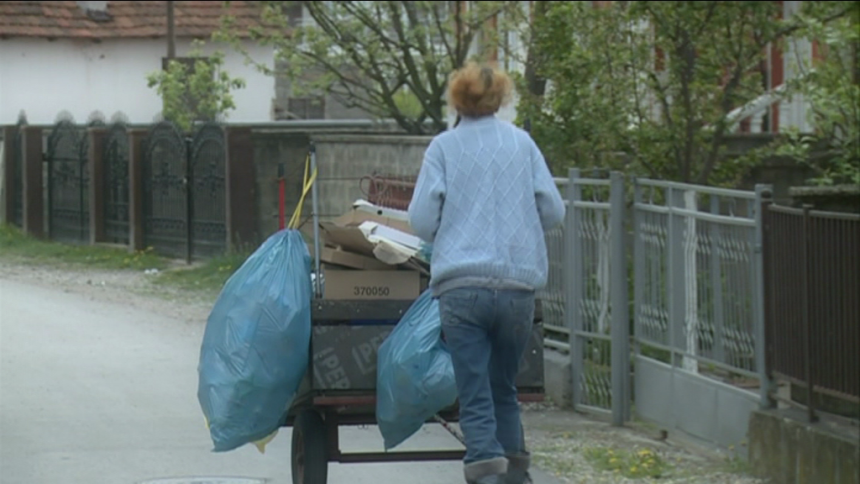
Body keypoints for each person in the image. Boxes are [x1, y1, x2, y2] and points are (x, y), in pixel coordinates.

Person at [408, 62, 566, 484]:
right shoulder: (523, 145)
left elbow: (422, 222)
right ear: (501, 99)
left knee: (475, 393)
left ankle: (487, 476)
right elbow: (553, 211)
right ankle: (515, 476)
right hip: (517, 287)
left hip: (462, 289)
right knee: (504, 391)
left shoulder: (443, 148)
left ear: (457, 99)